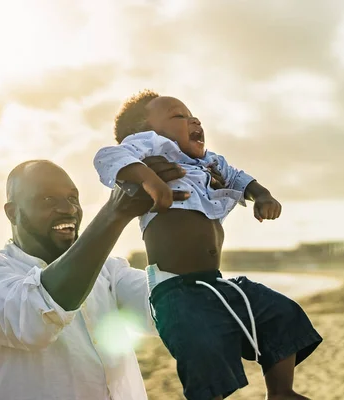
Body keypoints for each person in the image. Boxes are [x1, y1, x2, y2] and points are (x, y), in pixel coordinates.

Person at [93, 90, 321, 400]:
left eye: (192, 116)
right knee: (203, 350)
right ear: (144, 130)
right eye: (178, 116)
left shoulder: (210, 162)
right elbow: (108, 157)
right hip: (176, 290)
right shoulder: (145, 148)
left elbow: (238, 178)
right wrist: (149, 179)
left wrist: (262, 195)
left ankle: (281, 391)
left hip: (215, 282)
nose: (193, 120)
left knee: (280, 313)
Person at [0, 158, 190, 400]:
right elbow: (37, 317)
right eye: (48, 199)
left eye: (73, 198)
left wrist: (185, 212)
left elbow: (173, 308)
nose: (69, 209)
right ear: (12, 213)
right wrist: (115, 213)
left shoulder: (108, 271)